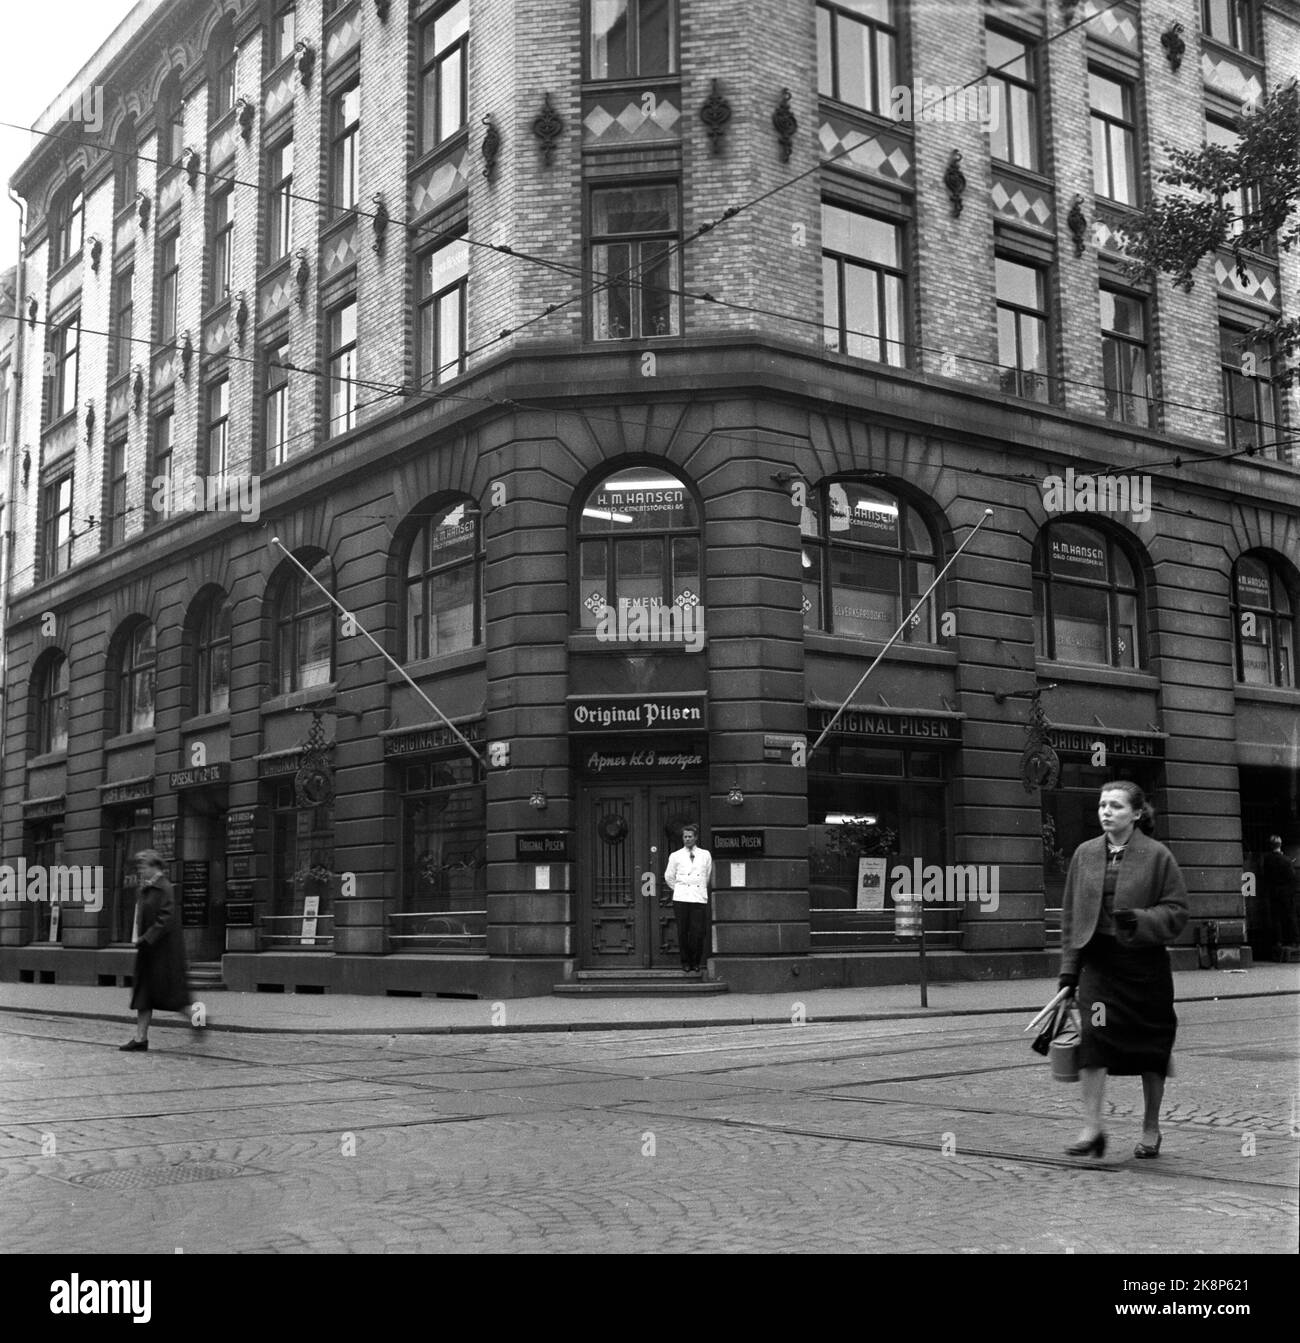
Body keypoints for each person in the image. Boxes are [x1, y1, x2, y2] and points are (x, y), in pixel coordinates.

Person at [1057, 781, 1188, 1160]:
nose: (1106, 811)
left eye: (1115, 805)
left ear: (1136, 813)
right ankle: (1093, 1129)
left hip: (1145, 969)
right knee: (1095, 1041)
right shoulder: (1084, 854)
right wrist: (1069, 973)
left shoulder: (1158, 855)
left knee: (1151, 1048)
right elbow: (1070, 918)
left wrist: (1141, 920)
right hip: (1099, 969)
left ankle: (1151, 1127)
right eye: (1101, 805)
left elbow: (1178, 911)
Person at [120, 850, 194, 1051]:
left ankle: (200, 1020)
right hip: (148, 952)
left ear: (155, 867)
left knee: (173, 997)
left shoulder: (165, 888)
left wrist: (146, 938)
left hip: (163, 954)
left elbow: (166, 919)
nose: (140, 870)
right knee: (143, 995)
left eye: (143, 866)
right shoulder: (146, 888)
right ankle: (140, 1038)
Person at [664, 824, 712, 975]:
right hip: (682, 897)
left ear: (695, 837)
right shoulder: (675, 856)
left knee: (697, 932)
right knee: (683, 931)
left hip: (698, 898)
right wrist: (680, 888)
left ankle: (696, 962)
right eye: (685, 837)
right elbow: (669, 877)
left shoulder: (705, 854)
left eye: (690, 836)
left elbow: (707, 876)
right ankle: (685, 962)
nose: (687, 839)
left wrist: (697, 888)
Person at [1259, 835, 1299, 957]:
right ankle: (1295, 941)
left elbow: (1265, 876)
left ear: (1270, 845)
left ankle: (1278, 941)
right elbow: (1292, 878)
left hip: (1273, 892)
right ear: (1280, 845)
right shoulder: (1287, 860)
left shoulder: (1267, 860)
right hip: (1286, 893)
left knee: (1276, 918)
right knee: (1290, 916)